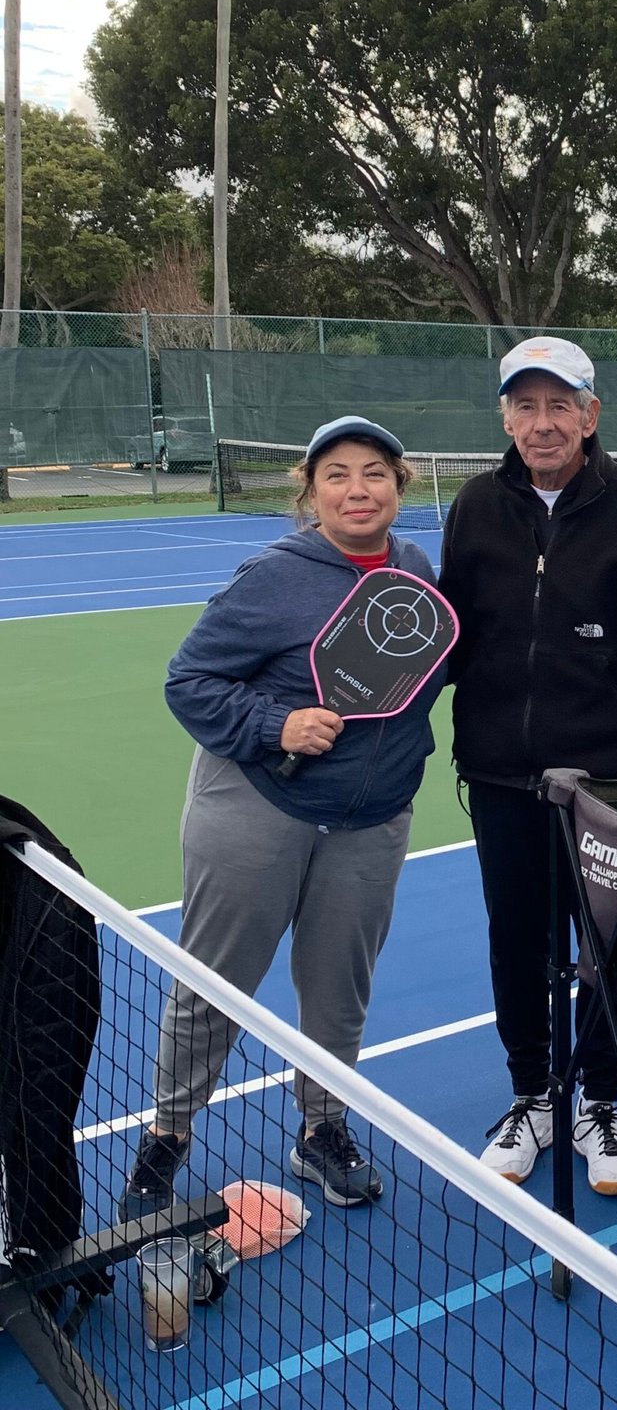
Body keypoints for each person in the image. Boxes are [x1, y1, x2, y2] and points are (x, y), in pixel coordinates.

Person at [119, 416, 445, 1219]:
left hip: (371, 819)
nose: (357, 489)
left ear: (399, 487)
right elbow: (189, 681)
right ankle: (167, 1138)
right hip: (257, 808)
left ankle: (322, 1129)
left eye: (374, 472)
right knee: (214, 984)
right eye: (337, 474)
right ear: (311, 491)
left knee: (339, 990)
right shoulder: (272, 575)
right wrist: (277, 727)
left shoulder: (413, 569)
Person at [441, 337, 617, 1198]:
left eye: (558, 406)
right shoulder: (474, 508)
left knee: (610, 948)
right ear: (505, 416)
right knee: (518, 943)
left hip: (606, 786)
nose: (542, 423)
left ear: (590, 415)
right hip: (500, 778)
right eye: (525, 406)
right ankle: (533, 1096)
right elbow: (446, 640)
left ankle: (598, 1099)